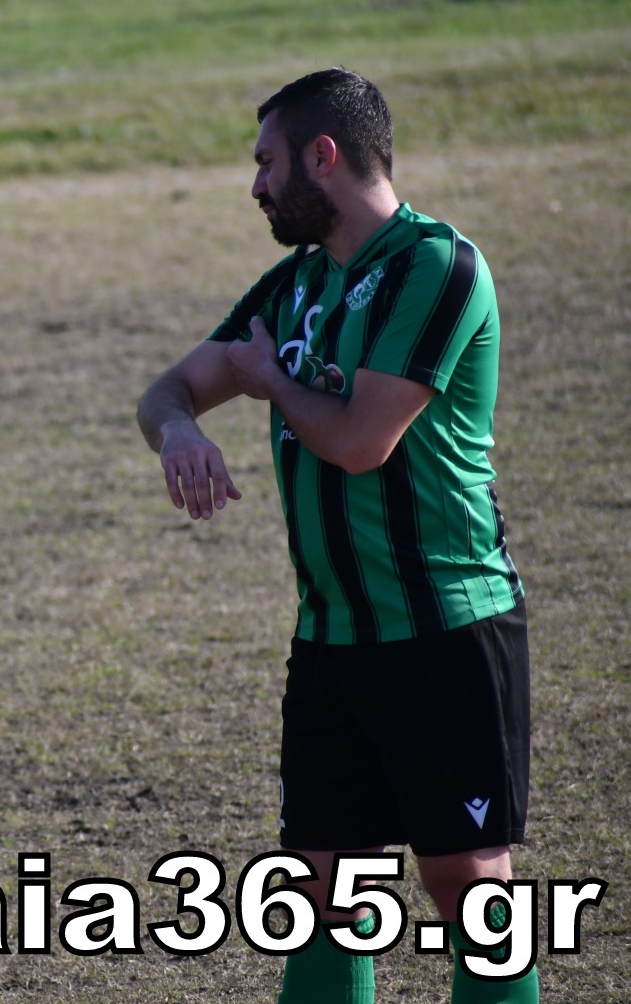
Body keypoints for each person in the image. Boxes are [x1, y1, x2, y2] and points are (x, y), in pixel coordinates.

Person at [135, 69, 533, 1004]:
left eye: (266, 162)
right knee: (319, 888)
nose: (256, 186)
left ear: (323, 156)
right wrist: (181, 427)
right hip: (331, 639)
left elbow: (360, 442)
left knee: (465, 882)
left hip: (443, 628)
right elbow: (167, 388)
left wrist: (270, 383)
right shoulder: (298, 284)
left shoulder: (438, 268)